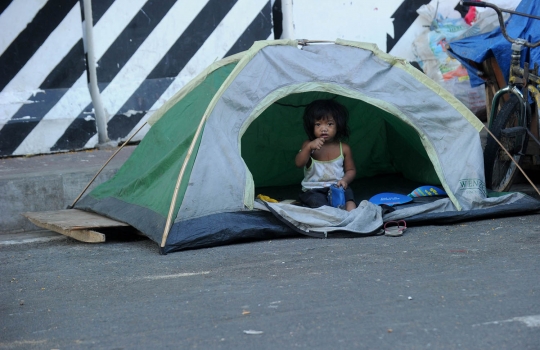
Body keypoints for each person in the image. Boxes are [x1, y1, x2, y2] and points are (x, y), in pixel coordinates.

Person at [295, 99, 357, 211]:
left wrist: (345, 180)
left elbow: (351, 170)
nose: (324, 129)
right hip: (313, 190)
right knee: (316, 201)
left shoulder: (344, 148)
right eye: (318, 124)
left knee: (349, 197)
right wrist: (309, 148)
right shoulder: (308, 145)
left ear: (338, 125)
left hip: (337, 187)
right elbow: (299, 163)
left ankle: (352, 217)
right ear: (311, 126)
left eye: (329, 124)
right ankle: (331, 215)